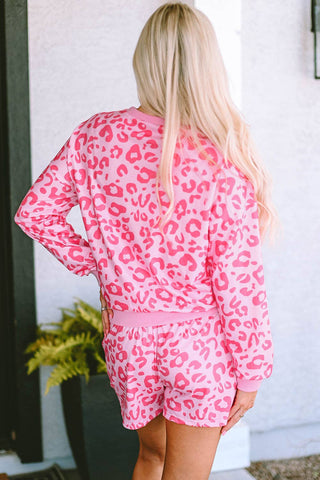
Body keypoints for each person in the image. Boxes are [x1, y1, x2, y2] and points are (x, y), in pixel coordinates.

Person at [14, 2, 280, 479]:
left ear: (144, 60)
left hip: (130, 339)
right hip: (200, 347)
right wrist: (252, 370)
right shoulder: (221, 157)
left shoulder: (94, 136)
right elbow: (237, 282)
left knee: (151, 458)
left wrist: (101, 262)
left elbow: (36, 212)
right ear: (207, 66)